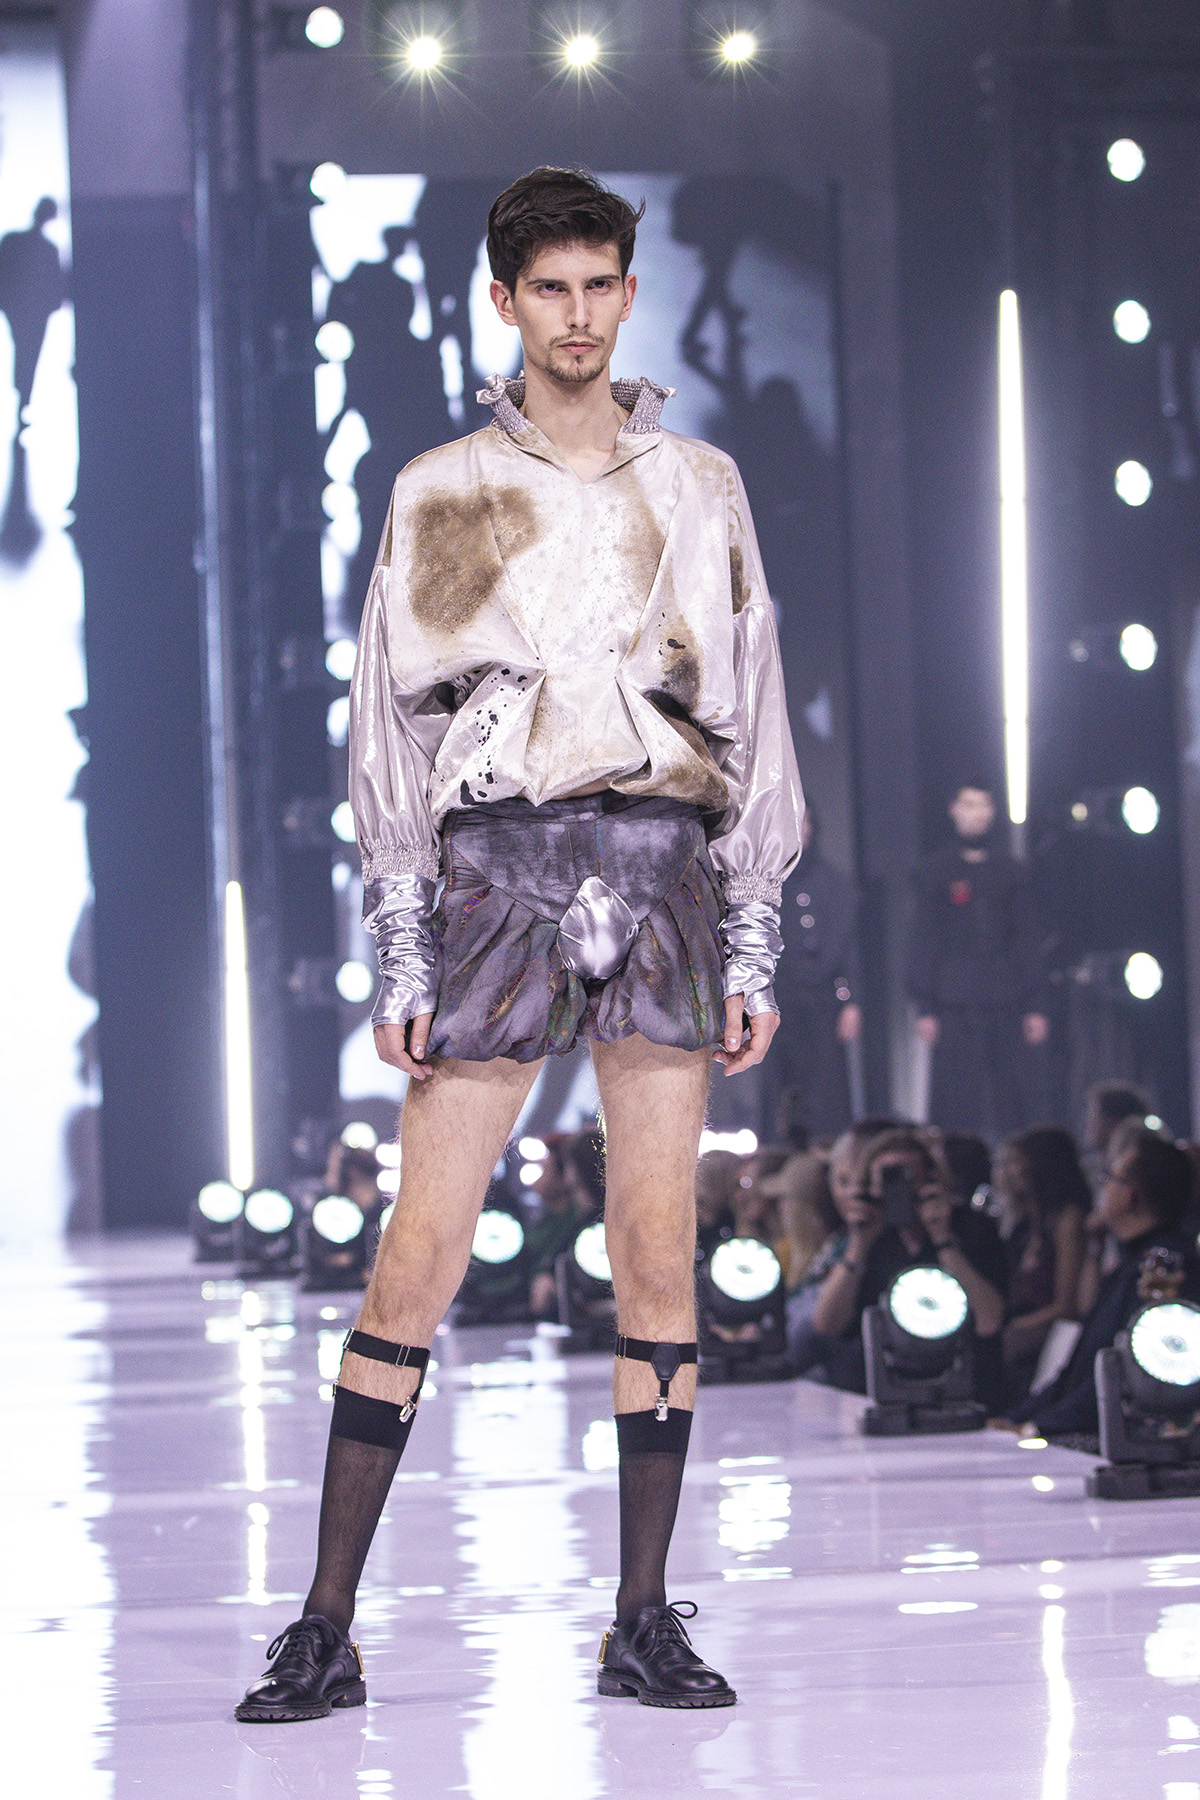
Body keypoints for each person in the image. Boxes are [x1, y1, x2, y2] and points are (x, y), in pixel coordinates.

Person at [236, 167, 803, 1722]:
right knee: (418, 1249)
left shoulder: (702, 485)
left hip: (664, 862)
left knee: (657, 1248)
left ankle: (643, 1618)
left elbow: (749, 698)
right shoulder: (441, 489)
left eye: (599, 284)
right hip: (498, 869)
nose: (577, 313)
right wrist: (401, 945)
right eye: (549, 287)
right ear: (504, 299)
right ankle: (324, 1626)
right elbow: (392, 726)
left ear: (629, 290)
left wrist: (755, 928)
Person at [1008, 1127, 1200, 1439]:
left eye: (1109, 1178)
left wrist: (1037, 1427)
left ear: (1129, 1197)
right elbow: (1080, 1367)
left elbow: (1120, 1375)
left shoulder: (1162, 1270)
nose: (1103, 1187)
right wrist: (1021, 1418)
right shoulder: (1130, 1263)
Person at [798, 1128, 1007, 1395]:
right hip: (881, 1383)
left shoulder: (970, 1228)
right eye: (886, 1179)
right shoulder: (871, 1239)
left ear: (930, 1179)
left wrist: (943, 1240)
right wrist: (859, 1244)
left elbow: (989, 1321)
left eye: (907, 1177)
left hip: (963, 1383)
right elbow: (826, 1325)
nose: (897, 1189)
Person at [909, 781, 1048, 1139]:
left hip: (1005, 996)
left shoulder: (1012, 871)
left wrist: (1035, 1004)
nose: (976, 814)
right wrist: (924, 1007)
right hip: (953, 1000)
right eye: (968, 804)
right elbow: (924, 939)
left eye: (983, 805)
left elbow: (1026, 939)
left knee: (1011, 1095)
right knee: (956, 1098)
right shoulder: (934, 871)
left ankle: (1014, 1159)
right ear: (953, 809)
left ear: (993, 811)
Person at [763, 803, 861, 1142]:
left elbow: (849, 949)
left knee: (827, 1085)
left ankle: (828, 1154)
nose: (798, 828)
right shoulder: (764, 882)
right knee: (778, 1083)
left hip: (824, 1001)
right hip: (777, 1000)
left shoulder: (835, 883)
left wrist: (851, 1002)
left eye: (803, 820)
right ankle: (777, 1156)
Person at [993, 1127, 1088, 1400]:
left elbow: (1066, 1306)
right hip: (1025, 1324)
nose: (1012, 1171)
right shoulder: (1025, 1223)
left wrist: (1013, 1327)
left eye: (1018, 1162)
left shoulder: (1067, 1221)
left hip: (1050, 1333)